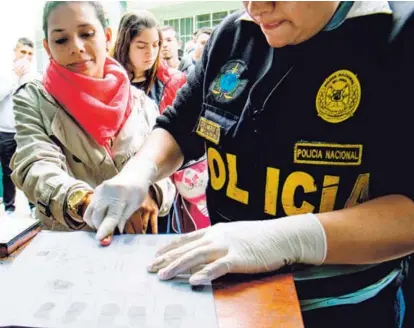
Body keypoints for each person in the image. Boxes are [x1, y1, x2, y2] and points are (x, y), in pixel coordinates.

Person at [84, 1, 414, 327]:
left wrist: (288, 239)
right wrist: (140, 171)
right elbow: (180, 125)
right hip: (232, 295)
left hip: (343, 307)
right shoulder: (233, 34)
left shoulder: (398, 34)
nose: (257, 8)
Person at [10, 1, 175, 238]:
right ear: (47, 47)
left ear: (107, 36)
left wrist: (149, 189)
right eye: (61, 40)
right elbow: (34, 163)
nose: (76, 47)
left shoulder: (140, 102)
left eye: (86, 34)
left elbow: (162, 164)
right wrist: (87, 202)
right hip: (69, 244)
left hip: (136, 245)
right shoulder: (34, 98)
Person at [113, 10, 209, 233]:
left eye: (155, 44)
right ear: (124, 44)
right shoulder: (111, 83)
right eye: (141, 45)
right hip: (120, 181)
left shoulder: (173, 81)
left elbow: (179, 137)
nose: (150, 52)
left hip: (163, 185)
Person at [0, 37, 40, 217]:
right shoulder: (5, 74)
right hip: (6, 132)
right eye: (23, 52)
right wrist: (15, 77)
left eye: (30, 54)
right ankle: (9, 207)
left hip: (27, 132)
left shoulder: (34, 77)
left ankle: (34, 207)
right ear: (15, 52)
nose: (26, 56)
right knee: (8, 172)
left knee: (31, 170)